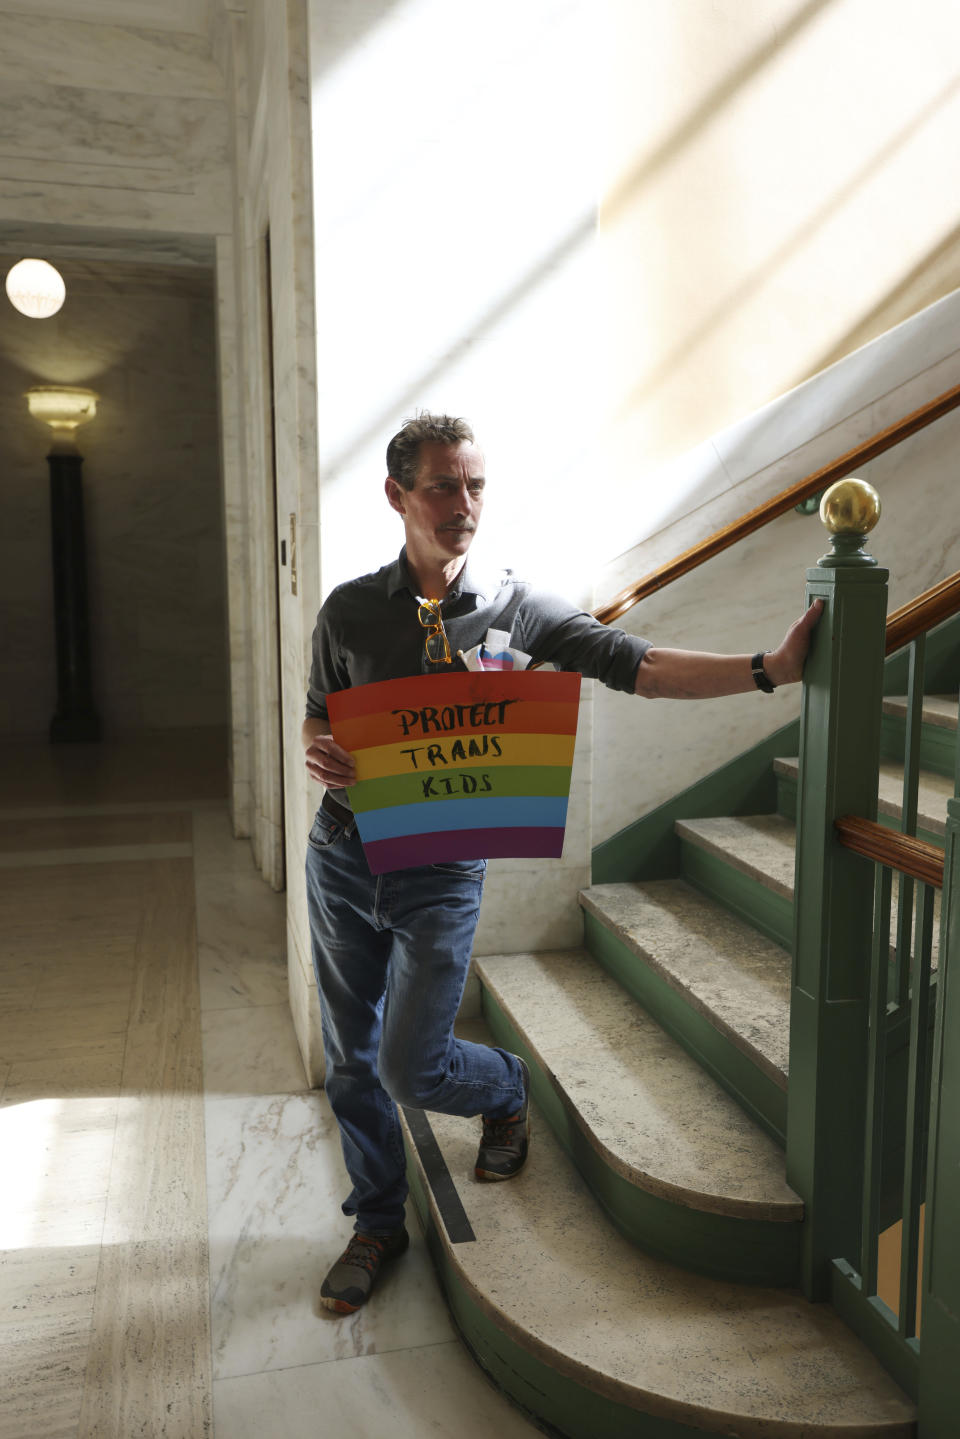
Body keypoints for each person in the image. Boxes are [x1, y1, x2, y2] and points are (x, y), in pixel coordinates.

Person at [302, 412, 821, 1314]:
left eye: (474, 485)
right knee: (352, 1056)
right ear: (397, 495)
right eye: (441, 486)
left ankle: (507, 1087)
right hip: (343, 855)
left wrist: (768, 668)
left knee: (409, 1067)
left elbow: (641, 665)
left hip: (443, 869)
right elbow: (317, 709)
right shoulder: (348, 608)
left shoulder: (518, 607)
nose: (463, 504)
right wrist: (318, 744)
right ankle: (377, 1221)